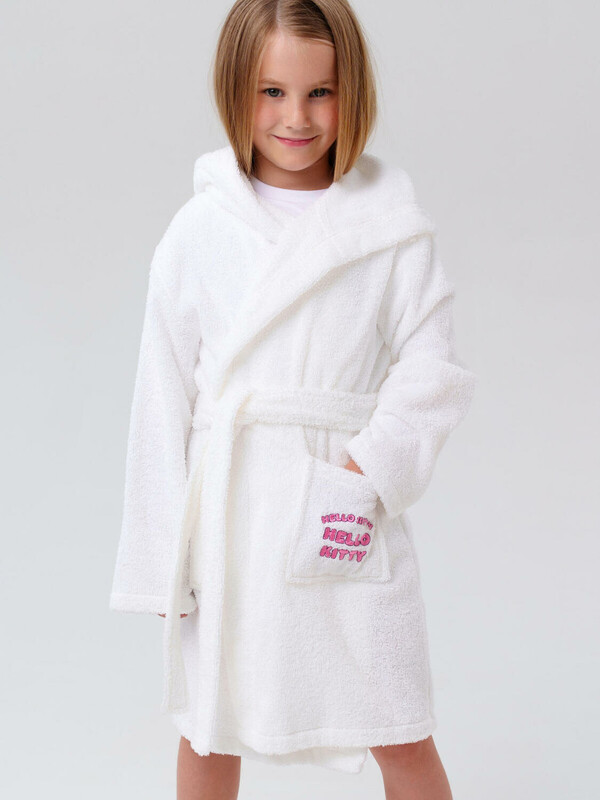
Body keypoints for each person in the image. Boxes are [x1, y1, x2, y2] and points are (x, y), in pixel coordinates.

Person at [109, 1, 477, 797]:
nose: (297, 118)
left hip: (343, 499)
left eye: (321, 92)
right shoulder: (198, 230)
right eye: (272, 92)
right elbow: (160, 397)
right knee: (209, 730)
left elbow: (434, 368)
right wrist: (161, 560)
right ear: (235, 88)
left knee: (400, 727)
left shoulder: (389, 225)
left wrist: (365, 470)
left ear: (353, 94)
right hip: (230, 521)